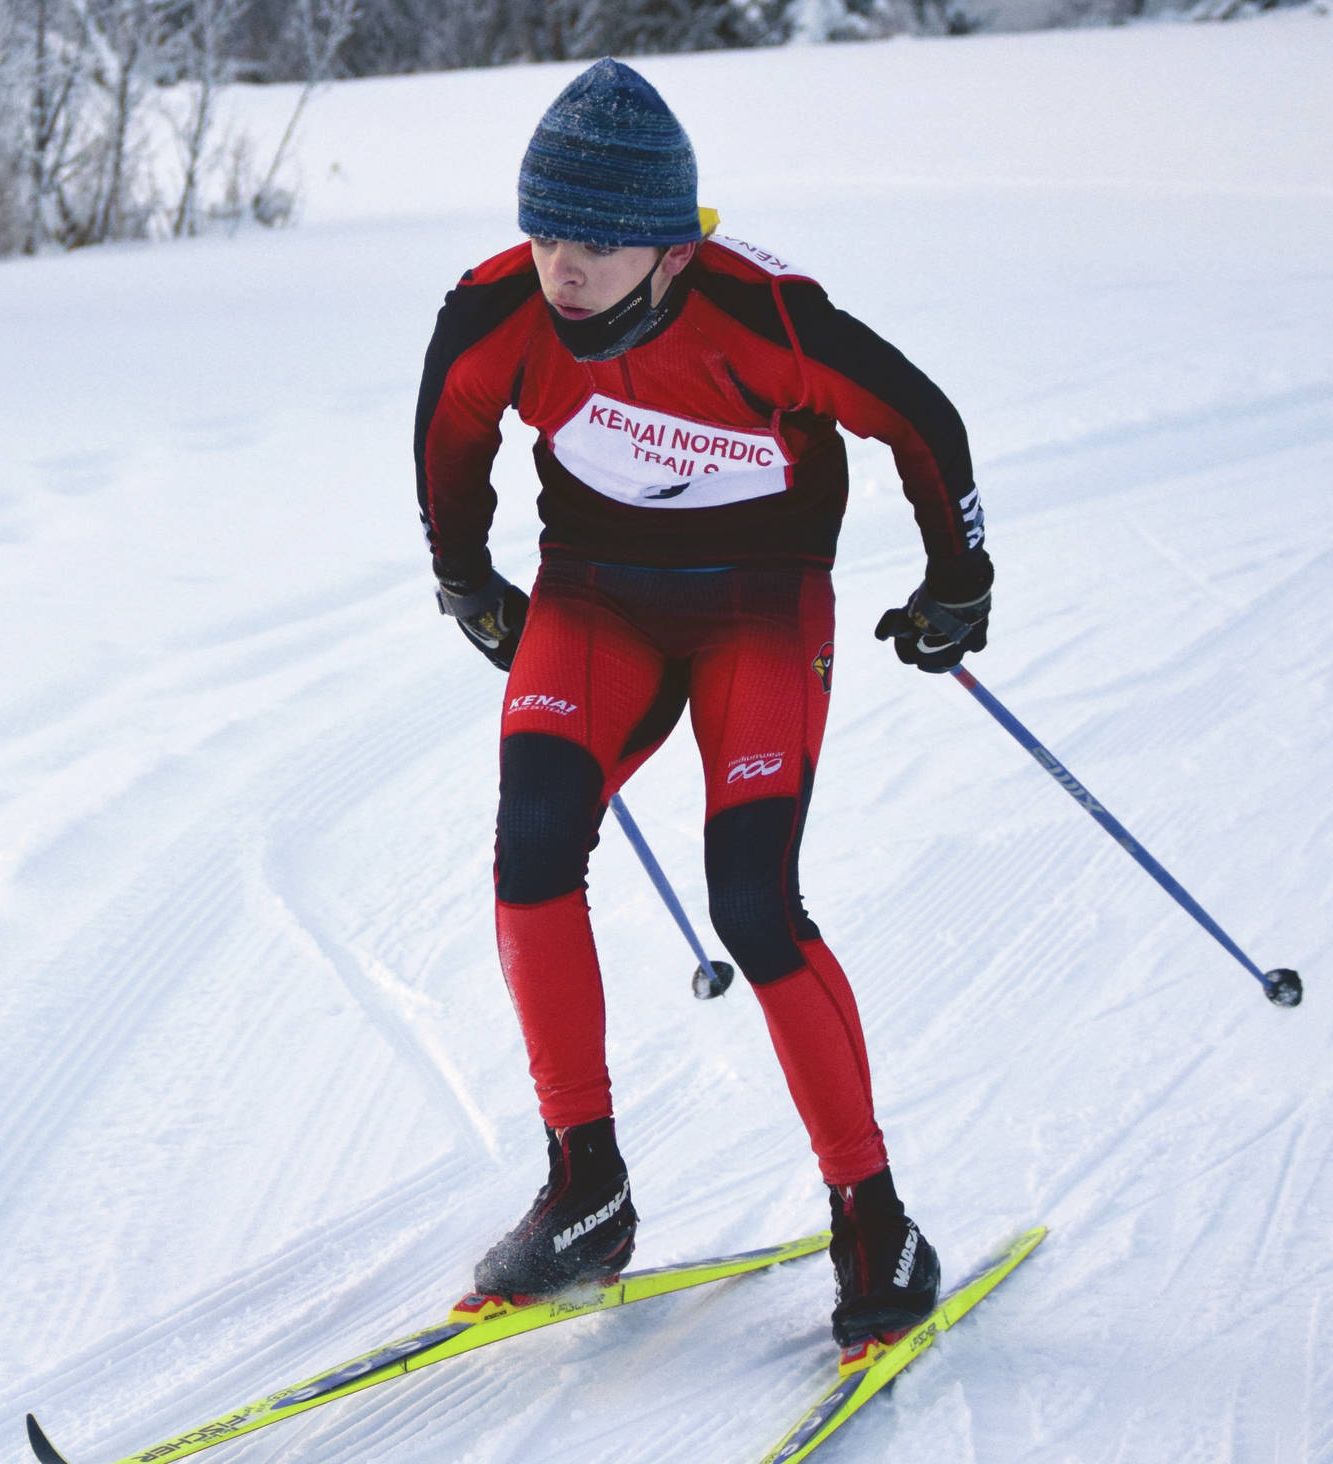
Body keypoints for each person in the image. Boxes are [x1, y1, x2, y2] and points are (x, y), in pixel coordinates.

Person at [415, 58, 991, 1363]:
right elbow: (449, 442)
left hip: (757, 612)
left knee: (753, 902)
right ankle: (587, 1190)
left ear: (671, 243)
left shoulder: (767, 318)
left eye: (601, 240)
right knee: (530, 851)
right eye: (547, 231)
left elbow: (921, 421)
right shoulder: (495, 315)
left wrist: (958, 578)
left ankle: (875, 1219)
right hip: (593, 599)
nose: (565, 264)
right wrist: (466, 575)